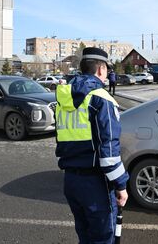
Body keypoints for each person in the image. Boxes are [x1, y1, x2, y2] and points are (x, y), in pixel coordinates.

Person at [55, 47, 129, 244]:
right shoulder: (102, 99)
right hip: (95, 184)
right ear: (100, 70)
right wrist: (121, 185)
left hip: (71, 181)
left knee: (85, 236)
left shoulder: (63, 99)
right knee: (103, 238)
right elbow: (109, 151)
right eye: (107, 70)